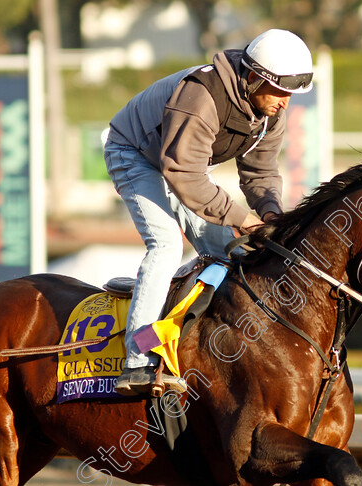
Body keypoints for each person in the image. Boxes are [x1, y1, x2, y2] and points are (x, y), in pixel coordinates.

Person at [105, 29, 314, 396]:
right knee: (167, 244)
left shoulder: (269, 112)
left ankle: (200, 347)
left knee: (232, 249)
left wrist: (270, 216)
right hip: (135, 154)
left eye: (291, 95)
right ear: (253, 78)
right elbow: (182, 172)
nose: (285, 103)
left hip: (182, 164)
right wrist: (239, 216)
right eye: (281, 92)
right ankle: (137, 361)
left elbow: (261, 173)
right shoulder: (201, 95)